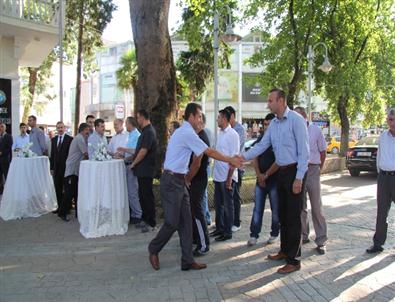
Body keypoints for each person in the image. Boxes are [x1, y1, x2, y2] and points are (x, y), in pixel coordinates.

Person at [148, 102, 242, 272]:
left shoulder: (188, 132)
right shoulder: (186, 132)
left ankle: (187, 260)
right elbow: (209, 152)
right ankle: (154, 249)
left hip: (179, 181)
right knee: (172, 222)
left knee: (186, 222)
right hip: (171, 182)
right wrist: (230, 159)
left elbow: (202, 156)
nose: (201, 120)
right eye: (199, 116)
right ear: (191, 116)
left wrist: (187, 178)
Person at [239, 88, 309, 274]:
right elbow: (261, 146)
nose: (268, 104)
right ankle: (285, 251)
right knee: (283, 216)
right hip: (281, 173)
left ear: (281, 101)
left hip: (295, 172)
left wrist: (299, 177)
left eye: (270, 100)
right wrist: (241, 157)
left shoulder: (296, 120)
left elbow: (304, 152)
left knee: (293, 218)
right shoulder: (275, 125)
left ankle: (294, 261)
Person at [295, 107, 328, 255]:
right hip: (298, 171)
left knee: (316, 206)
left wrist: (318, 169)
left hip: (313, 169)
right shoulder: (294, 131)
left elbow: (323, 151)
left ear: (304, 117)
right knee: (301, 207)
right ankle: (303, 235)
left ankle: (321, 240)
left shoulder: (315, 130)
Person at [247, 113, 280, 246]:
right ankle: (254, 235)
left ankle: (274, 233)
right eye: (265, 124)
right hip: (260, 180)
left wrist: (266, 175)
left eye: (269, 124)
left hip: (274, 180)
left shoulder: (278, 140)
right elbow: (254, 157)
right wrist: (259, 175)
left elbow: (279, 161)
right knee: (257, 209)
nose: (266, 127)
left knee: (275, 209)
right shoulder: (261, 139)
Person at [366, 108, 395, 254]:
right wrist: (379, 172)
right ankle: (378, 243)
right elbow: (380, 154)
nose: (392, 122)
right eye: (390, 119)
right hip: (384, 178)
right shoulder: (383, 136)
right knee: (381, 212)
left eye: (394, 119)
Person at [210, 109, 240, 242]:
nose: (217, 120)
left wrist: (229, 178)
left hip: (227, 177)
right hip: (218, 176)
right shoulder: (220, 133)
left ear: (226, 119)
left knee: (228, 205)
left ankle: (227, 231)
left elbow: (234, 158)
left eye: (219, 118)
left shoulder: (233, 134)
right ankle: (220, 228)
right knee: (218, 204)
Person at [130, 110, 157, 233]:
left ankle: (151, 222)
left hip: (146, 170)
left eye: (139, 117)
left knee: (147, 196)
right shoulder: (144, 132)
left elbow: (143, 151)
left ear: (144, 118)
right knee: (142, 195)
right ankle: (145, 219)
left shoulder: (149, 132)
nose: (138, 120)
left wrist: (134, 163)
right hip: (141, 170)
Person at [189, 118, 211, 256]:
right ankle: (196, 238)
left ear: (201, 123)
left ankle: (204, 244)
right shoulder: (197, 136)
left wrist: (188, 178)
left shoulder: (201, 137)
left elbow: (196, 163)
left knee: (197, 212)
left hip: (198, 179)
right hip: (196, 178)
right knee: (193, 210)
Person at [117, 117, 142, 224]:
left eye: (126, 124)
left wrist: (123, 150)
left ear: (131, 124)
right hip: (127, 163)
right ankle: (133, 213)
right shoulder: (130, 135)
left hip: (132, 166)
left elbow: (135, 152)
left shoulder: (136, 135)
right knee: (129, 191)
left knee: (132, 191)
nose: (125, 126)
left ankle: (137, 214)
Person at [225, 106, 246, 232]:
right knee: (228, 196)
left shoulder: (239, 130)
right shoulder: (228, 130)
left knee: (235, 195)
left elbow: (237, 149)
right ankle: (227, 220)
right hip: (228, 166)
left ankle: (236, 222)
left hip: (237, 167)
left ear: (232, 116)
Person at [62, 123, 89, 221]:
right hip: (72, 170)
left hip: (75, 170)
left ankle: (78, 212)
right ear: (82, 130)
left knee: (76, 191)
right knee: (69, 192)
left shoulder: (80, 138)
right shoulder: (80, 138)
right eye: (87, 130)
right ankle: (62, 211)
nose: (88, 132)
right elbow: (86, 153)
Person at [50, 122, 73, 214]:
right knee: (57, 188)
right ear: (56, 129)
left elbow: (70, 155)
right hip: (56, 168)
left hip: (66, 168)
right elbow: (52, 154)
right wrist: (51, 168)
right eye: (58, 128)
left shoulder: (70, 139)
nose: (60, 129)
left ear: (65, 128)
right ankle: (59, 207)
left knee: (66, 188)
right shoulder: (54, 140)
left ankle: (67, 208)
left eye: (62, 127)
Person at [202, 114, 213, 225]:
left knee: (203, 192)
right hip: (208, 164)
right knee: (203, 192)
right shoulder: (210, 132)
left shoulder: (204, 133)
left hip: (204, 165)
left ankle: (206, 216)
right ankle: (206, 216)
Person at [0, 123, 13, 193]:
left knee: (6, 175)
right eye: (0, 127)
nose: (1, 128)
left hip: (5, 159)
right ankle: (1, 189)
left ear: (5, 128)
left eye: (2, 127)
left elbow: (9, 148)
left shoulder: (9, 136)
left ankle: (8, 190)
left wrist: (2, 152)